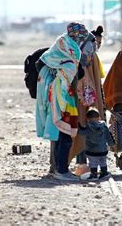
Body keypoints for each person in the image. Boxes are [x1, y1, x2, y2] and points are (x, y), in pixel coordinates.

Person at [36, 22, 88, 181]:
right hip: (60, 99)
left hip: (52, 96)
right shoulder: (71, 55)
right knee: (64, 134)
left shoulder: (58, 46)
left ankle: (58, 168)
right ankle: (62, 170)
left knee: (59, 134)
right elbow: (66, 82)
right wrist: (65, 102)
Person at [70, 25, 106, 165]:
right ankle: (82, 164)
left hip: (89, 100)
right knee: (82, 128)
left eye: (99, 43)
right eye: (96, 43)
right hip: (84, 101)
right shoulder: (85, 59)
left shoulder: (91, 57)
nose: (97, 46)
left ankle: (85, 164)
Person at [79, 107, 115, 180]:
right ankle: (104, 173)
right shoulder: (104, 126)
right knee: (103, 162)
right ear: (99, 117)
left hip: (92, 150)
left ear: (88, 119)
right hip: (103, 150)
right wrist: (112, 144)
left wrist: (78, 126)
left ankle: (94, 175)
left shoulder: (88, 127)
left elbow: (82, 132)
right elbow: (108, 136)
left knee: (93, 163)